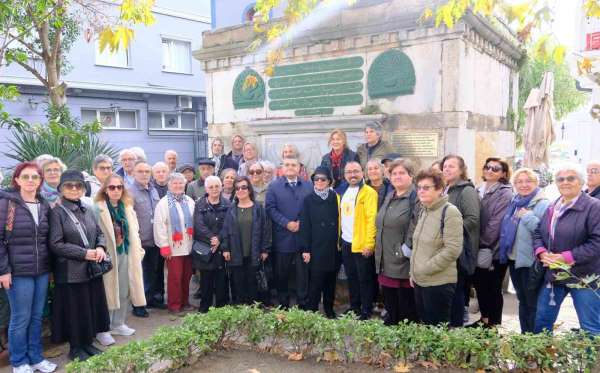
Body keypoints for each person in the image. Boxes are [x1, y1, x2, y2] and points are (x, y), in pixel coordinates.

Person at [0, 162, 57, 373]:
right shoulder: (7, 204)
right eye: (26, 177)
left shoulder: (43, 205)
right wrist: (3, 270)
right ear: (17, 180)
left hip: (41, 270)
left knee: (36, 316)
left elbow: (45, 240)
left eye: (35, 177)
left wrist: (50, 269)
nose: (31, 181)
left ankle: (36, 358)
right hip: (17, 272)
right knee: (20, 317)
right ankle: (19, 361)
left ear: (40, 181)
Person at [49, 170, 110, 362]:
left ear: (84, 189)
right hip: (70, 272)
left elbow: (99, 232)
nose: (74, 189)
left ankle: (87, 343)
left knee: (90, 307)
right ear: (61, 189)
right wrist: (84, 254)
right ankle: (76, 347)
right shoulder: (57, 212)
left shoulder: (86, 208)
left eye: (78, 185)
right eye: (69, 185)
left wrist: (100, 247)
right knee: (76, 310)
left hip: (91, 269)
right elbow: (56, 244)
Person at [533, 164, 600, 336]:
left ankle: (591, 364)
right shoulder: (553, 206)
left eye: (571, 178)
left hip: (584, 277)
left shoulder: (594, 207)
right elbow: (538, 233)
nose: (565, 182)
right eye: (560, 179)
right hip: (554, 276)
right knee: (542, 321)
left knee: (590, 328)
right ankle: (541, 360)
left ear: (581, 182)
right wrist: (541, 252)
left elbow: (597, 242)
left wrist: (566, 257)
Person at [94, 175, 146, 347]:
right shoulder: (97, 208)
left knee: (124, 289)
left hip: (126, 253)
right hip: (108, 256)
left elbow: (135, 231)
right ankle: (103, 329)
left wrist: (138, 250)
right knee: (108, 292)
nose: (116, 190)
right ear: (105, 190)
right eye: (112, 187)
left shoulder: (127, 207)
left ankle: (118, 323)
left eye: (119, 187)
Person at [498, 168, 549, 333]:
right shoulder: (515, 202)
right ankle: (524, 336)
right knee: (523, 300)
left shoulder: (543, 203)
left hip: (531, 262)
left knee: (532, 303)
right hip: (514, 260)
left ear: (536, 183)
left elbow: (545, 232)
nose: (524, 185)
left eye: (528, 181)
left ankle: (535, 340)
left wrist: (527, 216)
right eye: (519, 181)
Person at [411, 169, 463, 325]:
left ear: (439, 189)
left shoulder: (449, 212)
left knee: (437, 331)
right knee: (426, 326)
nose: (421, 191)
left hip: (438, 283)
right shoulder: (423, 210)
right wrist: (413, 272)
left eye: (426, 187)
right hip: (420, 280)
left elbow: (453, 249)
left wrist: (425, 269)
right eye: (419, 187)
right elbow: (418, 245)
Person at [470, 158, 513, 328]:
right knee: (480, 285)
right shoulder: (478, 188)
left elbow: (496, 222)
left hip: (493, 248)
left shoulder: (505, 192)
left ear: (503, 173)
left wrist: (481, 242)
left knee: (493, 288)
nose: (490, 171)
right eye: (487, 167)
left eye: (495, 169)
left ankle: (493, 325)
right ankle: (484, 319)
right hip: (478, 247)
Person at [375, 159, 418, 325]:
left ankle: (406, 341)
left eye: (402, 173)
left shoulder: (414, 197)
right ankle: (392, 334)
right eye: (394, 173)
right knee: (391, 302)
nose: (397, 176)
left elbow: (415, 224)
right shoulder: (390, 195)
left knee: (406, 306)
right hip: (386, 258)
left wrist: (405, 249)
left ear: (411, 176)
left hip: (403, 261)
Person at [265, 157, 313, 309]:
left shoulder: (308, 186)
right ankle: (283, 303)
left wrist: (301, 223)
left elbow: (311, 208)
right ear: (282, 168)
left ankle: (303, 303)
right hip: (282, 238)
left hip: (302, 238)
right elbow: (270, 209)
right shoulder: (273, 186)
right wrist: (286, 223)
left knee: (302, 274)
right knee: (281, 274)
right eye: (287, 165)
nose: (290, 167)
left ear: (299, 168)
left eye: (294, 165)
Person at [440, 154, 480, 327]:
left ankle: (456, 327)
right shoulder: (445, 189)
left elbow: (472, 219)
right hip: (443, 248)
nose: (447, 169)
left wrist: (445, 230)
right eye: (445, 166)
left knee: (456, 291)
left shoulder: (466, 190)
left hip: (459, 249)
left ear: (462, 170)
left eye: (452, 166)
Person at [336, 161, 378, 320]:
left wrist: (369, 243)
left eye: (356, 171)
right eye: (349, 172)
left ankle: (366, 310)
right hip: (347, 242)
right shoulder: (343, 191)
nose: (352, 175)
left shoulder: (368, 192)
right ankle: (355, 307)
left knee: (364, 279)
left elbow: (371, 219)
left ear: (362, 173)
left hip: (361, 243)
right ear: (344, 175)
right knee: (352, 277)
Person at [222, 176, 271, 304]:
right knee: (238, 283)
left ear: (249, 189)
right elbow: (225, 230)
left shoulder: (258, 208)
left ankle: (252, 311)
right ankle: (240, 310)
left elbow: (265, 230)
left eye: (244, 187)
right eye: (237, 188)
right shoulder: (231, 209)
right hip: (236, 253)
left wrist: (264, 250)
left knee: (252, 283)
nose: (240, 190)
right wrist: (225, 248)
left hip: (254, 253)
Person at [299, 167, 339, 318]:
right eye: (317, 179)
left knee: (330, 282)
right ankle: (312, 310)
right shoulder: (308, 200)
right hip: (315, 248)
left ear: (329, 181)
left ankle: (329, 309)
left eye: (323, 179)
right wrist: (305, 249)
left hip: (333, 247)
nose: (320, 182)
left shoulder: (335, 197)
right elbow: (305, 226)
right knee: (315, 282)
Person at [153, 173, 196, 315]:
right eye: (175, 183)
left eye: (180, 183)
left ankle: (185, 302)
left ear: (185, 185)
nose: (178, 186)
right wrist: (164, 246)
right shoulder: (164, 203)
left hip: (189, 246)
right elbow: (159, 226)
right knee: (175, 278)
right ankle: (174, 306)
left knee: (186, 276)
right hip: (173, 248)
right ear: (169, 185)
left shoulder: (189, 201)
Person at [129, 161, 162, 316]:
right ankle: (138, 305)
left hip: (154, 240)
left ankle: (151, 300)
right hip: (140, 241)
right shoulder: (130, 192)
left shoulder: (153, 190)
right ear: (134, 173)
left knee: (152, 272)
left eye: (147, 171)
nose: (144, 174)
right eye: (140, 171)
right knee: (139, 275)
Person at [193, 176, 230, 313]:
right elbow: (199, 225)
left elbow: (228, 225)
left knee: (221, 279)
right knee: (206, 280)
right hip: (205, 247)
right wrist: (212, 238)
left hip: (221, 246)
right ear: (206, 189)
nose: (214, 189)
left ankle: (221, 308)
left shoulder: (227, 204)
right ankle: (204, 308)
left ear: (221, 187)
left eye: (217, 186)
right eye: (211, 187)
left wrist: (219, 239)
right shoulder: (200, 204)